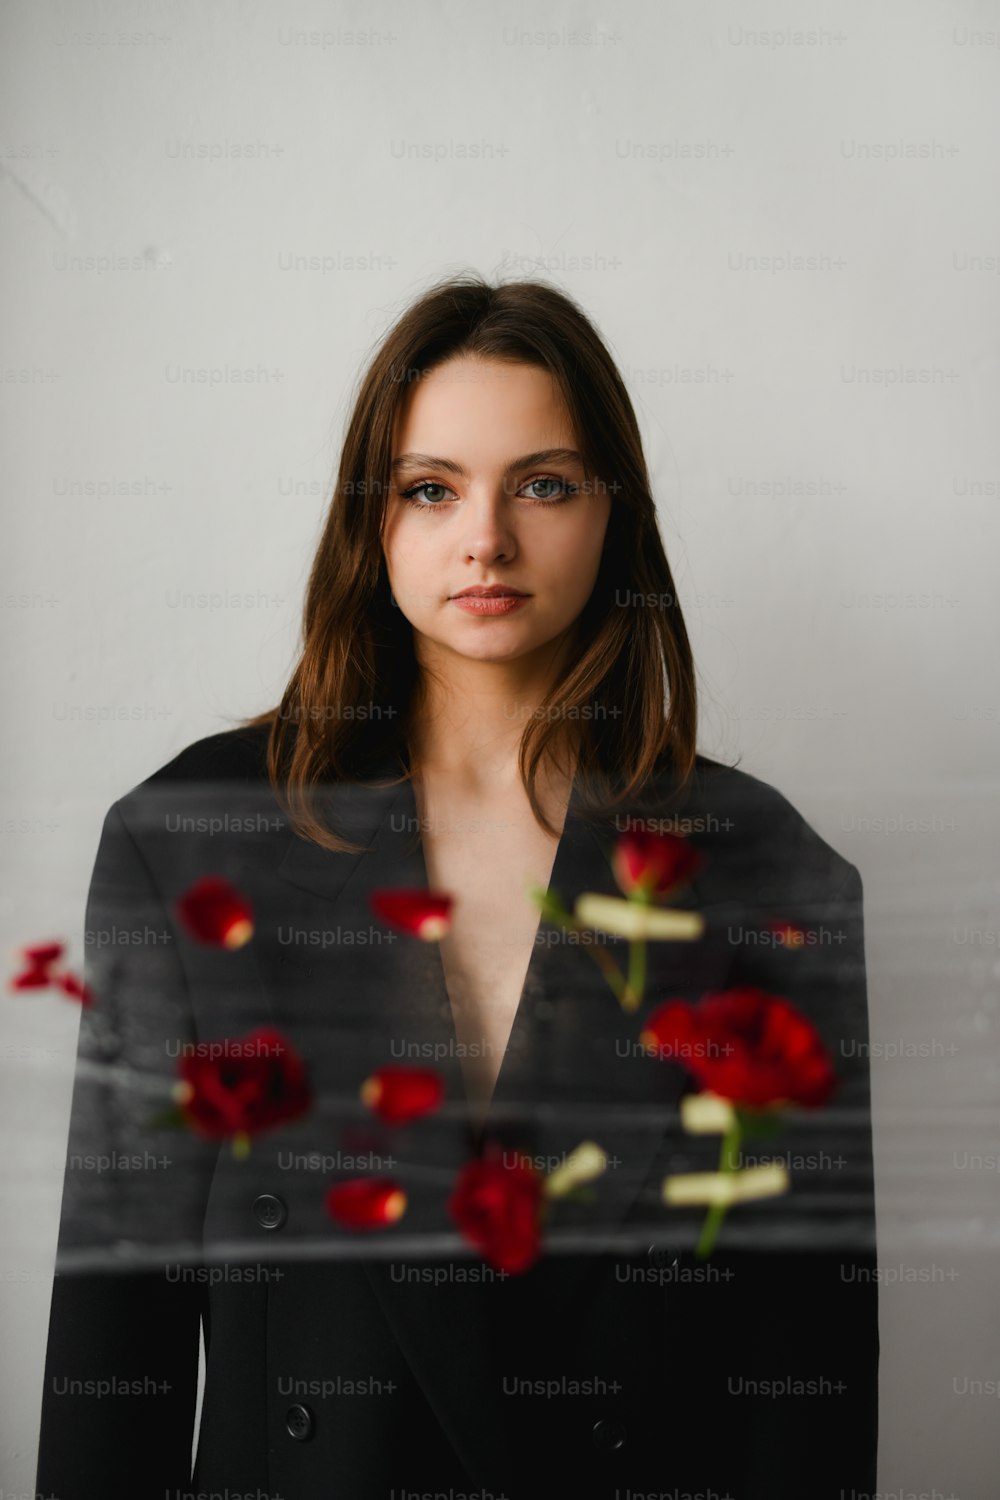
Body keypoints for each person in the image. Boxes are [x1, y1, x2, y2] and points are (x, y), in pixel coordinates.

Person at [35, 274, 879, 1498]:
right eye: (430, 489)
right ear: (369, 523)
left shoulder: (768, 870)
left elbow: (801, 1377)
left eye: (542, 483)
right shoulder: (190, 840)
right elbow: (120, 1338)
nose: (487, 538)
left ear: (613, 514)